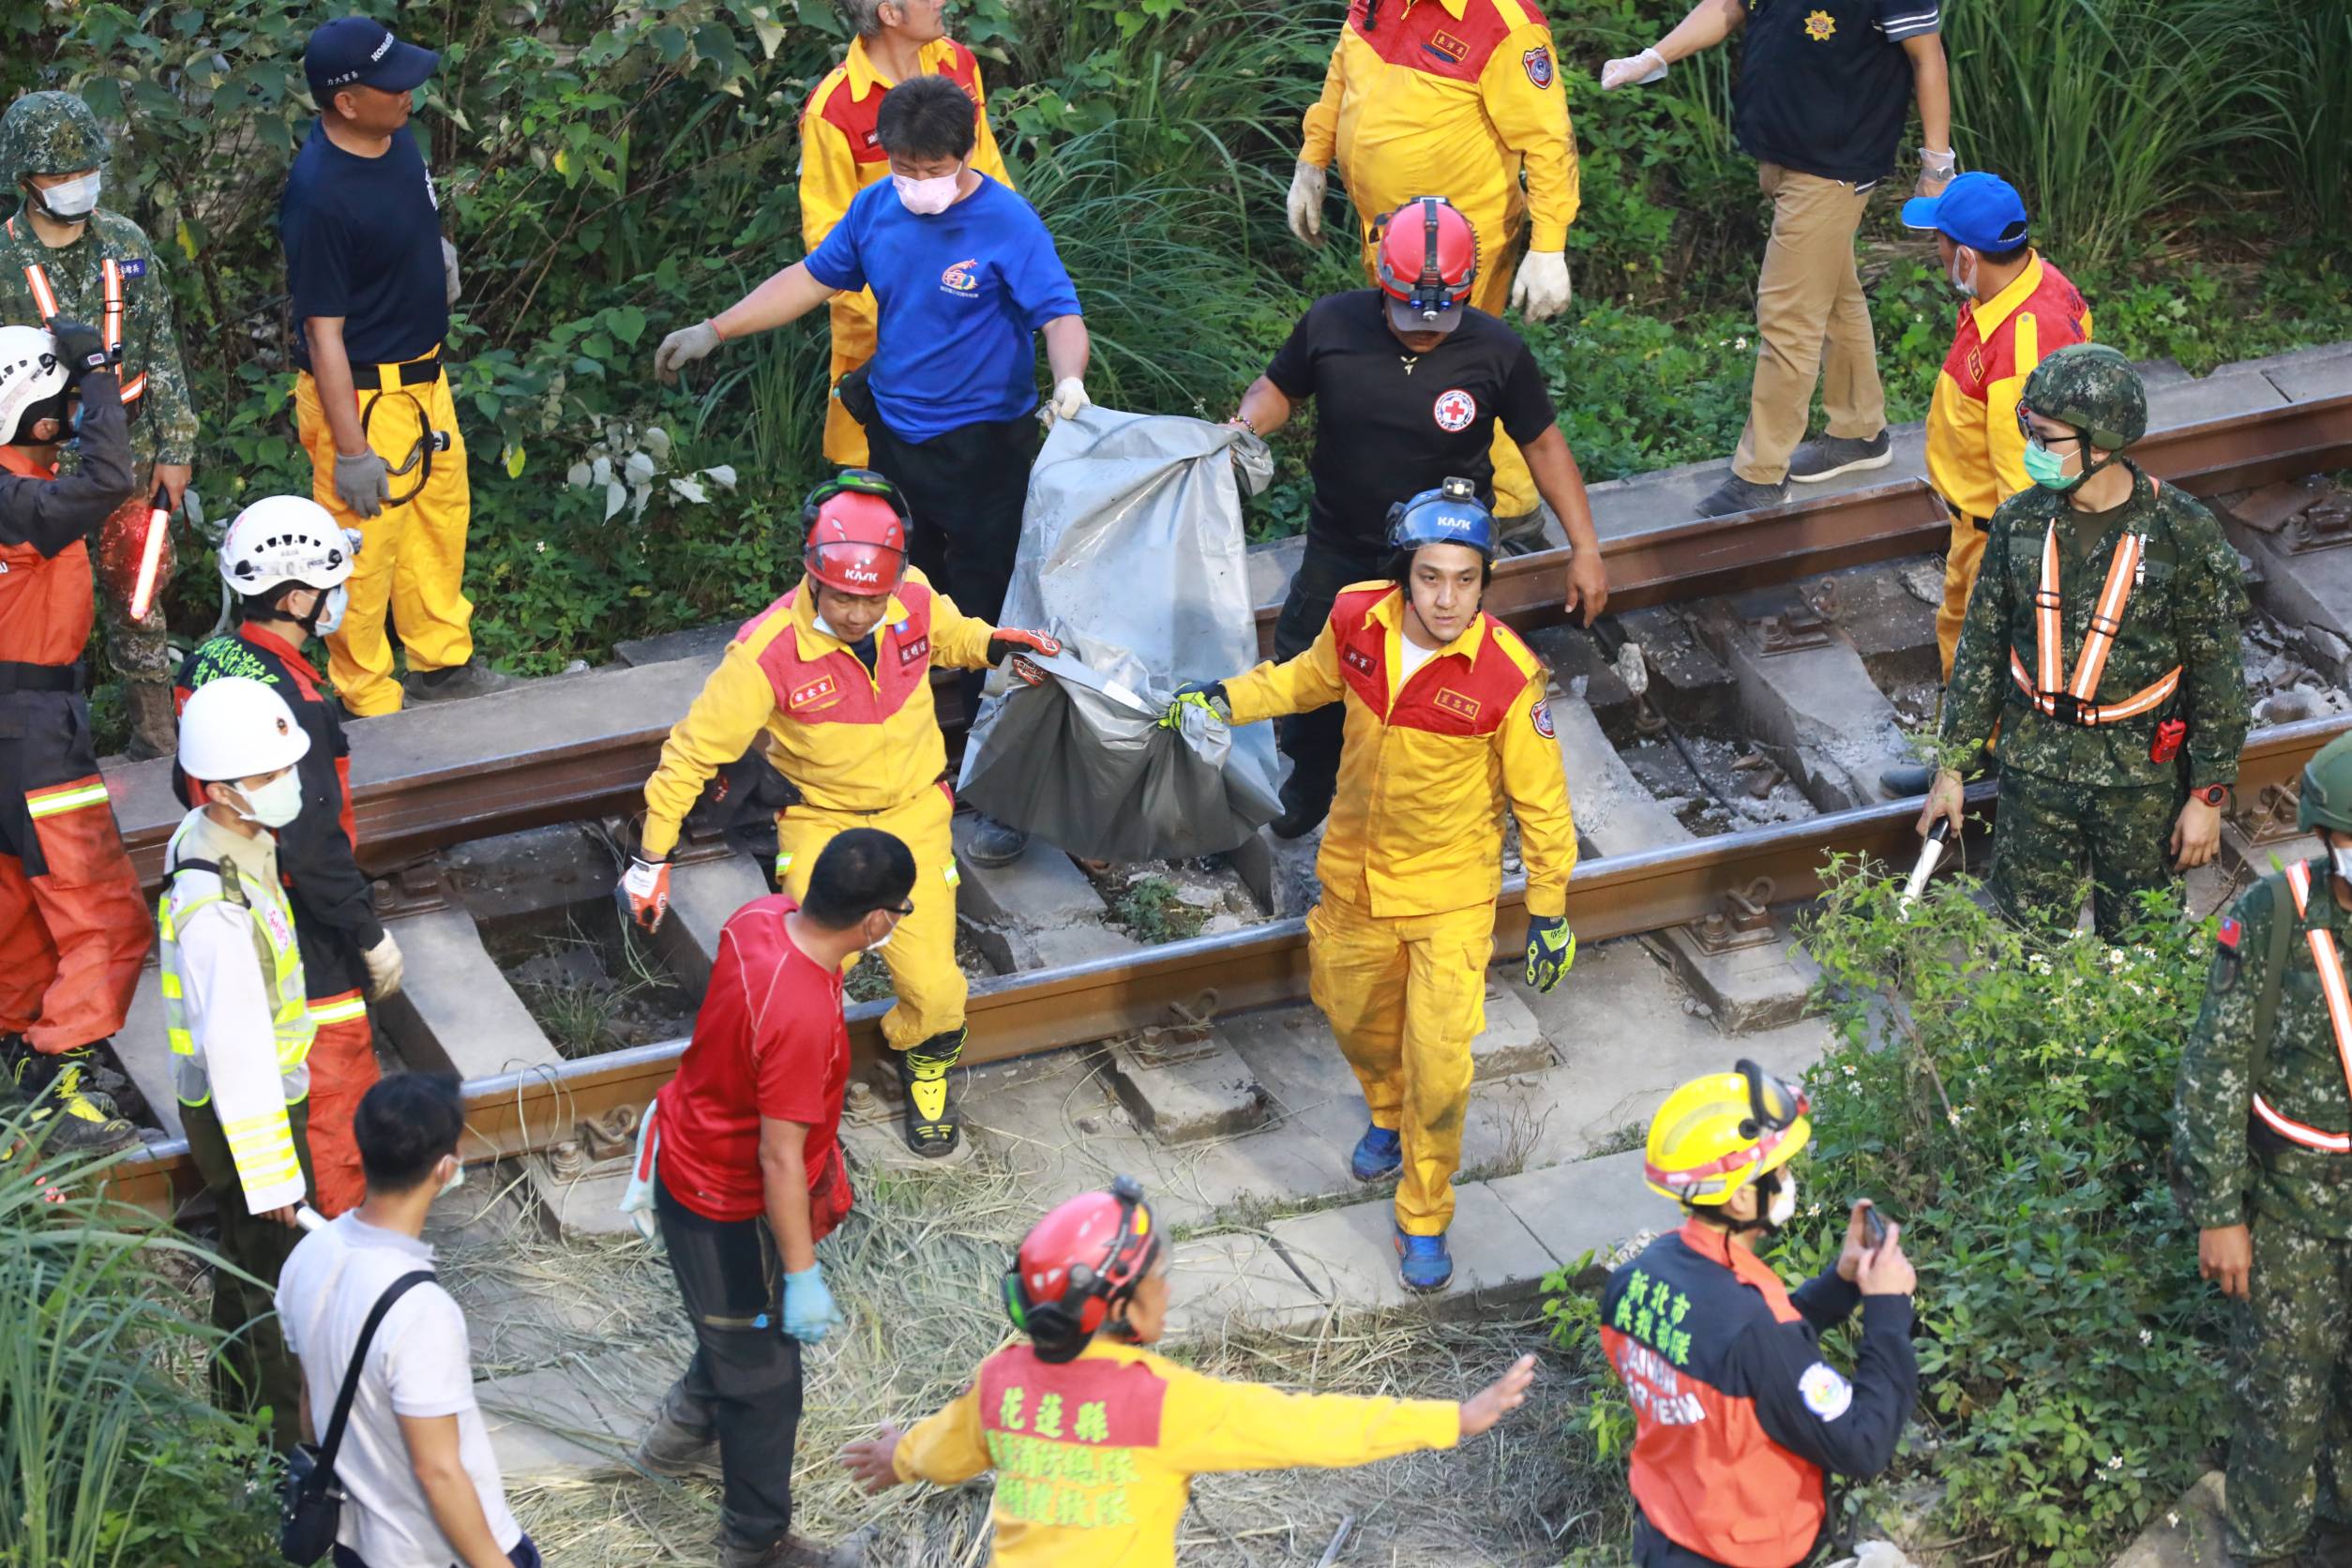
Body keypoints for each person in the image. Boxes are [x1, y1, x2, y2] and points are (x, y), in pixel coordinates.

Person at [1163, 478, 1577, 1290]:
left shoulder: (1506, 680)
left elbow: (1545, 809)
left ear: (1485, 580)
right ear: (1404, 573)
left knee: (1442, 1067)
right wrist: (1225, 698)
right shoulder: (1357, 617)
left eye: (1466, 579)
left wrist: (1551, 913)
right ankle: (1383, 1111)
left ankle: (1423, 1213)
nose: (1448, 598)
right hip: (1352, 881)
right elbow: (1303, 680)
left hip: (1449, 901)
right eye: (1431, 577)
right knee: (1350, 1015)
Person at [619, 471, 1058, 1153]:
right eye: (845, 597)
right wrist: (652, 857)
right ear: (812, 574)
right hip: (824, 829)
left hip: (915, 820)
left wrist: (996, 644)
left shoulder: (910, 598)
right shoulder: (766, 654)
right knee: (808, 991)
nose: (858, 613)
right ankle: (792, 1099)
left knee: (939, 993)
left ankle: (924, 1061)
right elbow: (690, 755)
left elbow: (950, 636)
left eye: (872, 598)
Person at [839, 1176, 1539, 1563]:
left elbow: (947, 1447)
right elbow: (1308, 1426)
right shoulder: (1167, 1406)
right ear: (1121, 1305)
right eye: (1158, 1277)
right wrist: (1453, 1417)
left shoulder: (1000, 1380)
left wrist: (894, 1456)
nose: (1168, 1288)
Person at [651, 74, 1085, 658]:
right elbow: (810, 279)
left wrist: (1069, 384)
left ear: (967, 151)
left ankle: (988, 716)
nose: (916, 183)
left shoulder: (1007, 223)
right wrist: (715, 329)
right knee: (898, 585)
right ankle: (895, 708)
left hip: (984, 445)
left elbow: (1060, 316)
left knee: (986, 593)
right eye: (903, 167)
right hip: (896, 431)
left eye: (932, 170)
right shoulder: (877, 206)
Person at [1235, 193, 1607, 837]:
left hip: (1444, 554)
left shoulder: (1495, 350)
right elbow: (1279, 389)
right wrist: (1242, 427)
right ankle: (1312, 782)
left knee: (1433, 678)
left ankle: (1417, 806)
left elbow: (1543, 443)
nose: (1427, 328)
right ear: (1383, 282)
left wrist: (1586, 548)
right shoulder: (1332, 325)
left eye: (1442, 317)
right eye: (1411, 314)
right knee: (1309, 666)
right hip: (1342, 540)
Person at [626, 830, 912, 1568]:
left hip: (686, 1154)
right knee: (767, 1383)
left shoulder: (757, 919)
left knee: (736, 1333)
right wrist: (802, 1273)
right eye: (899, 912)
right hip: (727, 1204)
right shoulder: (803, 1016)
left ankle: (682, 1434)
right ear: (875, 922)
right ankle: (757, 1545)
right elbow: (779, 1159)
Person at [1918, 344, 2248, 940]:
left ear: (2102, 443)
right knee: (2026, 946)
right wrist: (1953, 769)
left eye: (2047, 438)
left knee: (2141, 945)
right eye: (2030, 431)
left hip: (2139, 782)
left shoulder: (2182, 531)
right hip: (2033, 770)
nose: (2032, 450)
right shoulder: (2020, 521)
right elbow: (1982, 653)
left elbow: (2217, 672)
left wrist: (2209, 794)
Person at [1601, 0, 1953, 519]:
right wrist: (1652, 57)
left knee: (1788, 317)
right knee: (1835, 294)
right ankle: (1860, 431)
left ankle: (1761, 476)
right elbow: (1725, 6)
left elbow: (1929, 57)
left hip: (1833, 166)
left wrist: (1936, 162)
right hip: (1782, 154)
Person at [175, 496, 403, 1216]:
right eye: (331, 585)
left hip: (240, 872)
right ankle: (339, 1237)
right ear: (298, 594)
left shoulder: (207, 660)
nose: (339, 599)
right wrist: (366, 932)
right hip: (300, 918)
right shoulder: (291, 698)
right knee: (335, 1081)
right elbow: (312, 836)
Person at [1606, 1060, 1917, 1567]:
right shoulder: (1755, 1327)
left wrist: (1840, 1285)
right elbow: (1863, 1443)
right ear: (1744, 1195)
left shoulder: (1638, 1278)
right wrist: (1887, 1310)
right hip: (1743, 1551)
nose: (1790, 1180)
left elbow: (1741, 1355)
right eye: (1781, 1170)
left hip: (1665, 1536)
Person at [283, 17, 506, 716]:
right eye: (394, 84)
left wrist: (430, 256)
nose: (412, 93)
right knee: (362, 553)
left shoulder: (395, 138)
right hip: (365, 397)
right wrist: (351, 449)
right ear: (346, 101)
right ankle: (366, 697)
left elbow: (403, 222)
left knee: (438, 528)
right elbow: (323, 334)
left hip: (423, 383)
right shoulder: (319, 194)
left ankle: (442, 664)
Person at [1287, 0, 1579, 525]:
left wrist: (1549, 245)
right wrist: (1313, 158)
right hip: (1388, 239)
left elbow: (1549, 140)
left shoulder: (1505, 24)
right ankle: (1421, 491)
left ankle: (1509, 509)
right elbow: (1343, 73)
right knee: (1412, 365)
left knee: (1467, 367)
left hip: (1460, 248)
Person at [2174, 732, 2352, 1568]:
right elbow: (2213, 1075)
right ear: (2331, 837)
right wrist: (2218, 1214)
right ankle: (2269, 1546)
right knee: (2283, 1406)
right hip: (2292, 1215)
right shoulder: (2276, 917)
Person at [0, 89, 201, 761]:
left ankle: (155, 736)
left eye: (84, 168)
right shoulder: (2, 258)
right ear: (24, 179)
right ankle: (53, 743)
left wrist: (177, 445)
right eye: (58, 175)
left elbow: (162, 346)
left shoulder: (126, 240)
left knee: (138, 590)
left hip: (134, 448)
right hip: (35, 466)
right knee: (42, 605)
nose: (74, 185)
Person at [1879, 171, 2090, 795]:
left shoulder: (2020, 346)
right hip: (1974, 521)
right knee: (1965, 634)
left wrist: (2012, 567)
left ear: (1967, 256)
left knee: (1979, 645)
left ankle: (1977, 758)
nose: (1938, 255)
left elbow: (2020, 476)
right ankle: (1979, 747)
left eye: (1942, 244)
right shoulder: (2036, 285)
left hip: (1994, 528)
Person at [277, 1074, 540, 1568]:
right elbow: (438, 1471)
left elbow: (311, 1402)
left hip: (357, 1544)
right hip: (435, 1552)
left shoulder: (308, 1256)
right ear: (445, 1167)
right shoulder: (422, 1311)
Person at [164, 675, 324, 1447]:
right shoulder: (215, 902)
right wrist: (274, 1179)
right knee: (273, 1283)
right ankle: (279, 1451)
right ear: (223, 790)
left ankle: (236, 1417)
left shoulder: (226, 839)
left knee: (245, 1261)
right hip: (248, 1114)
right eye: (271, 775)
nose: (289, 783)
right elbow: (234, 1046)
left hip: (255, 1099)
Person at [0, 316, 146, 1153]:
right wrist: (94, 371)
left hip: (13, 728)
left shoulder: (17, 487)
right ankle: (61, 1077)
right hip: (37, 729)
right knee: (102, 911)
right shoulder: (21, 499)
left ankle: (20, 1058)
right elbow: (106, 478)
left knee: (19, 909)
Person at [800, 0, 1013, 468]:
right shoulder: (834, 109)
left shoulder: (958, 63)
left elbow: (991, 174)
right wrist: (912, 319)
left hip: (974, 314)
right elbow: (828, 244)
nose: (942, 2)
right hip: (883, 335)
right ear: (889, 14)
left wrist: (1012, 271)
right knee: (878, 494)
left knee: (979, 483)